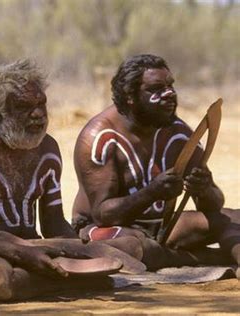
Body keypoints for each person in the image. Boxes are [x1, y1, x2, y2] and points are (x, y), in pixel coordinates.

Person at [0, 59, 143, 301]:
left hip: (37, 246)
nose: (38, 114)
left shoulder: (48, 149)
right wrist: (19, 254)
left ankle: (56, 278)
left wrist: (79, 247)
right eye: (24, 106)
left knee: (129, 247)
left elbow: (53, 222)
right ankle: (74, 282)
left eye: (41, 104)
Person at [72, 54, 240, 271]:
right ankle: (205, 258)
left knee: (232, 218)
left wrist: (205, 188)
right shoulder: (100, 137)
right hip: (106, 231)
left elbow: (213, 205)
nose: (169, 94)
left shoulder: (178, 134)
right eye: (156, 89)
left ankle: (217, 258)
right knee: (135, 246)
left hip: (163, 226)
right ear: (130, 96)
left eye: (170, 86)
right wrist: (152, 192)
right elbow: (103, 214)